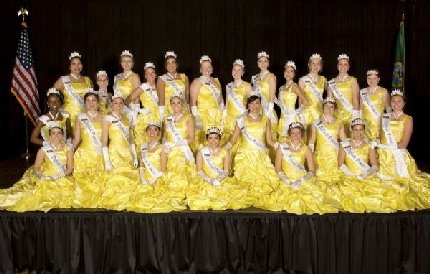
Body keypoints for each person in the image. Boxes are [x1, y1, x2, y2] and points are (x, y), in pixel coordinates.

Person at [264, 122, 339, 213]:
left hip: (302, 179)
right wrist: (288, 182)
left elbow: (312, 170)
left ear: (302, 134)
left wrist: (300, 181)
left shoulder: (306, 149)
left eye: (298, 133)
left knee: (314, 198)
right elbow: (277, 168)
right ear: (289, 134)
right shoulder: (282, 147)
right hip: (286, 179)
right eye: (293, 133)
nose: (296, 135)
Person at [1, 123, 74, 212]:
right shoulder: (43, 150)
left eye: (59, 133)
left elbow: (70, 169)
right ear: (49, 135)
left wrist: (58, 176)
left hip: (63, 177)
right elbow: (36, 167)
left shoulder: (68, 149)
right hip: (47, 177)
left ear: (62, 135)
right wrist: (41, 176)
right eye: (53, 133)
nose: (56, 135)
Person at [376, 90, 430, 209]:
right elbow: (380, 137)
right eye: (393, 101)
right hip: (384, 154)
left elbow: (404, 143)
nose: (396, 104)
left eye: (399, 101)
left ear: (404, 103)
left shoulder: (407, 119)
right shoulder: (384, 117)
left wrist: (387, 147)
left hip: (398, 154)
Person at [225, 94, 280, 208]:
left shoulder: (266, 120)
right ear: (248, 105)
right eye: (252, 103)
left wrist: (281, 146)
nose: (255, 106)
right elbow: (233, 139)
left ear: (260, 105)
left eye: (257, 103)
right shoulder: (241, 120)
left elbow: (269, 140)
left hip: (260, 156)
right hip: (245, 156)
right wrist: (223, 148)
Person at [187, 127, 247, 210]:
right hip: (205, 180)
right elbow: (199, 171)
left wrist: (218, 180)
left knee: (226, 199)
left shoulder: (225, 152)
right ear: (207, 139)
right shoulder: (202, 152)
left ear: (219, 139)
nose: (213, 141)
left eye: (216, 138)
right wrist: (209, 180)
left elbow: (226, 171)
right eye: (210, 138)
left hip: (221, 180)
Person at [101, 95, 140, 210]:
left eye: (120, 103)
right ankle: (117, 203)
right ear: (111, 104)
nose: (118, 105)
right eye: (115, 103)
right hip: (115, 153)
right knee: (117, 178)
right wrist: (107, 161)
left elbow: (130, 138)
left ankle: (127, 202)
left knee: (128, 177)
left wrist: (134, 156)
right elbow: (104, 142)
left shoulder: (126, 118)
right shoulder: (107, 119)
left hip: (127, 153)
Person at [128, 121, 173, 213]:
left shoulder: (162, 148)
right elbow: (141, 166)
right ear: (146, 132)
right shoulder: (143, 146)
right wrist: (143, 180)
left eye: (155, 130)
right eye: (149, 130)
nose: (152, 132)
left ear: (158, 133)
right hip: (145, 179)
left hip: (157, 179)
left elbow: (163, 170)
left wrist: (153, 180)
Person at [163, 91, 196, 210]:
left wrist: (177, 144)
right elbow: (166, 136)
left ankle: (183, 196)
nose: (176, 105)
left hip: (182, 151)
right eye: (173, 103)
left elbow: (192, 138)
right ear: (170, 105)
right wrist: (165, 143)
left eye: (178, 103)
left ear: (182, 105)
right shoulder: (168, 119)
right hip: (171, 152)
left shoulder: (188, 118)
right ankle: (173, 194)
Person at [72, 90, 105, 208]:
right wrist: (69, 155)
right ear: (85, 103)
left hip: (99, 155)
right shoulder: (80, 118)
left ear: (98, 102)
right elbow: (76, 140)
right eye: (88, 101)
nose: (91, 103)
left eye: (94, 100)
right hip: (84, 155)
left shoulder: (104, 117)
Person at [308, 97, 346, 181]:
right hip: (320, 156)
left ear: (334, 109)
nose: (329, 109)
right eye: (327, 106)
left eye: (331, 106)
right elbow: (312, 141)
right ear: (323, 108)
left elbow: (344, 140)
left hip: (335, 156)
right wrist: (309, 156)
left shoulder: (339, 123)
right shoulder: (316, 123)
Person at [190, 55, 224, 147]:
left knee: (217, 141)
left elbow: (221, 100)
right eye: (204, 67)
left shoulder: (216, 81)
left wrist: (223, 114)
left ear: (212, 69)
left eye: (209, 67)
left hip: (217, 116)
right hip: (203, 116)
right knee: (205, 142)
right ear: (200, 70)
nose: (207, 69)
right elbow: (193, 102)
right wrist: (196, 118)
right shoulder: (196, 82)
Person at [126, 62, 161, 151]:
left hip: (159, 116)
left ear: (156, 75)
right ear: (145, 76)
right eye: (148, 73)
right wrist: (139, 110)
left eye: (152, 72)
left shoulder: (160, 87)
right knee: (144, 141)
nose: (150, 75)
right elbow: (127, 101)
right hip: (146, 117)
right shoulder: (143, 87)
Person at [53, 51, 93, 128]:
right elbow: (53, 98)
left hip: (86, 116)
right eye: (73, 64)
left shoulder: (88, 80)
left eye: (79, 63)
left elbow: (92, 99)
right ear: (69, 66)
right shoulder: (63, 80)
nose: (77, 66)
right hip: (69, 117)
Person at [327, 53, 360, 131]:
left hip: (350, 114)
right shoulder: (331, 82)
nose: (343, 66)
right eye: (340, 64)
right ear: (337, 66)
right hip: (336, 115)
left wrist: (355, 117)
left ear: (348, 67)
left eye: (345, 64)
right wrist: (330, 116)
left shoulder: (353, 80)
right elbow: (330, 102)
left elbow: (356, 100)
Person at [277, 61, 308, 143]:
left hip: (291, 117)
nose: (288, 73)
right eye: (287, 71)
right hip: (283, 116)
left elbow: (305, 102)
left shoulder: (294, 86)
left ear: (294, 74)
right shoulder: (281, 88)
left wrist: (296, 112)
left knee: (292, 139)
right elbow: (281, 104)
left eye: (291, 71)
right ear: (284, 73)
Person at [223, 59, 252, 145]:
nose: (236, 72)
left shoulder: (247, 86)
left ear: (243, 72)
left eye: (239, 70)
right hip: (229, 119)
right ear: (232, 72)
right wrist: (224, 117)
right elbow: (227, 104)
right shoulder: (228, 86)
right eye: (234, 69)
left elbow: (252, 104)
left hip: (241, 117)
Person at [251, 51, 278, 139]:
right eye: (260, 61)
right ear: (257, 63)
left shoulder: (271, 76)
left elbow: (272, 96)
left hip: (267, 109)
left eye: (265, 61)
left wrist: (268, 113)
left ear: (268, 63)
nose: (263, 63)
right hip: (256, 109)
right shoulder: (254, 78)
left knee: (269, 134)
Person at [299, 53, 327, 136]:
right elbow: (300, 98)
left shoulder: (324, 80)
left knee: (319, 135)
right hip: (307, 112)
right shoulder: (303, 80)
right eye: (313, 64)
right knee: (307, 134)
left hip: (319, 112)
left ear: (321, 66)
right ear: (309, 65)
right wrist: (301, 112)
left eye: (318, 64)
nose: (315, 66)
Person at [157, 51, 190, 118]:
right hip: (169, 111)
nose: (171, 65)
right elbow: (161, 100)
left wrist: (189, 110)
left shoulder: (185, 77)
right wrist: (162, 117)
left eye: (173, 62)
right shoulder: (161, 79)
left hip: (183, 110)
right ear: (165, 66)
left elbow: (187, 97)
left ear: (177, 64)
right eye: (168, 63)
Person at [359, 69, 390, 140]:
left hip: (378, 124)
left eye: (374, 78)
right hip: (365, 125)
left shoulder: (383, 91)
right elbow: (360, 109)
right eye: (369, 78)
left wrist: (387, 124)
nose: (371, 80)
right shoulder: (362, 92)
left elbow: (388, 109)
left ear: (378, 79)